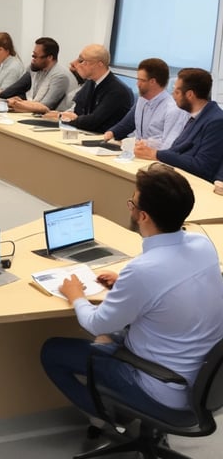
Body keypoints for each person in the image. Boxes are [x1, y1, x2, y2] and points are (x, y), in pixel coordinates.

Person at [41, 163, 223, 424]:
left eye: (133, 203)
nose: (131, 208)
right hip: (201, 380)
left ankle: (111, 419)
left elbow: (96, 323)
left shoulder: (142, 271)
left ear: (143, 216)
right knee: (109, 337)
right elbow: (170, 287)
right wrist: (126, 285)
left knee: (53, 351)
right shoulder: (202, 244)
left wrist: (75, 295)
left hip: (163, 388)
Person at [135, 68, 223, 182]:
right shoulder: (195, 116)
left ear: (190, 95)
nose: (173, 96)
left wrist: (157, 154)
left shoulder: (216, 121)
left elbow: (202, 167)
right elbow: (175, 150)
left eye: (176, 92)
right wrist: (151, 147)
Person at [103, 57, 187, 150]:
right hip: (138, 151)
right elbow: (128, 123)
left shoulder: (173, 109)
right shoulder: (142, 100)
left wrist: (145, 144)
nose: (137, 84)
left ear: (153, 82)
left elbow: (168, 144)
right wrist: (111, 133)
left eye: (141, 80)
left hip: (154, 155)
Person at [50, 44, 133, 133]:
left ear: (100, 64)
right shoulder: (90, 82)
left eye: (82, 61)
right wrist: (62, 115)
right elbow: (77, 109)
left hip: (103, 137)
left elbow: (92, 122)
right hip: (84, 133)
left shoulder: (117, 91)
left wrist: (63, 118)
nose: (76, 64)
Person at [0, 37, 78, 113]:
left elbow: (46, 106)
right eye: (33, 56)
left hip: (57, 118)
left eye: (35, 56)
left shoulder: (60, 76)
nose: (33, 60)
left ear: (49, 57)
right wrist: (18, 101)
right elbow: (22, 91)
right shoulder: (36, 68)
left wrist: (19, 103)